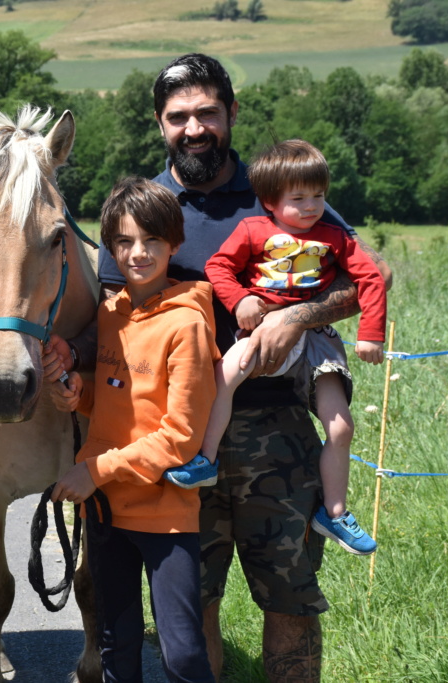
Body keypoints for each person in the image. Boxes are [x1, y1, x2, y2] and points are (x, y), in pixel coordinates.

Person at [44, 53, 392, 682]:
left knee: (290, 601)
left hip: (277, 431)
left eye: (207, 112)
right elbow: (113, 327)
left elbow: (356, 283)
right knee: (191, 607)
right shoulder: (143, 211)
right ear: (160, 125)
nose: (194, 127)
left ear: (231, 113)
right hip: (174, 446)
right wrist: (74, 356)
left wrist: (297, 319)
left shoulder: (276, 194)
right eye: (179, 117)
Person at [166, 139, 384, 556]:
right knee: (223, 379)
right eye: (298, 198)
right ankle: (205, 461)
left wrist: (371, 333)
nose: (311, 207)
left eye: (318, 196)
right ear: (269, 201)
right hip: (259, 331)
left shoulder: (335, 237)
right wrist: (241, 300)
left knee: (341, 427)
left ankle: (334, 513)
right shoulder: (253, 230)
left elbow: (371, 278)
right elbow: (219, 267)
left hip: (315, 338)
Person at [49, 176, 218, 683]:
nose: (137, 253)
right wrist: (79, 394)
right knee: (115, 645)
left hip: (164, 514)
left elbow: (180, 435)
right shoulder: (110, 314)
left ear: (175, 243)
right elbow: (116, 394)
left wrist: (94, 471)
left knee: (183, 652)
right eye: (123, 241)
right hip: (105, 511)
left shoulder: (187, 324)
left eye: (151, 241)